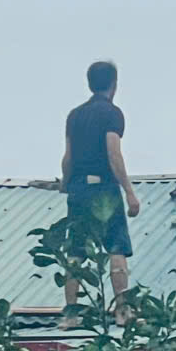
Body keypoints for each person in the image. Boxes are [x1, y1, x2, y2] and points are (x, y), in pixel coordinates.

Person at [61, 60, 141, 325]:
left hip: (78, 189)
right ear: (114, 84)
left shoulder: (75, 116)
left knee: (76, 249)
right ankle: (122, 311)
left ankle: (71, 314)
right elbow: (113, 153)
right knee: (116, 246)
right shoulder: (111, 113)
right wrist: (129, 192)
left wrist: (66, 184)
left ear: (90, 84)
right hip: (103, 188)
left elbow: (68, 157)